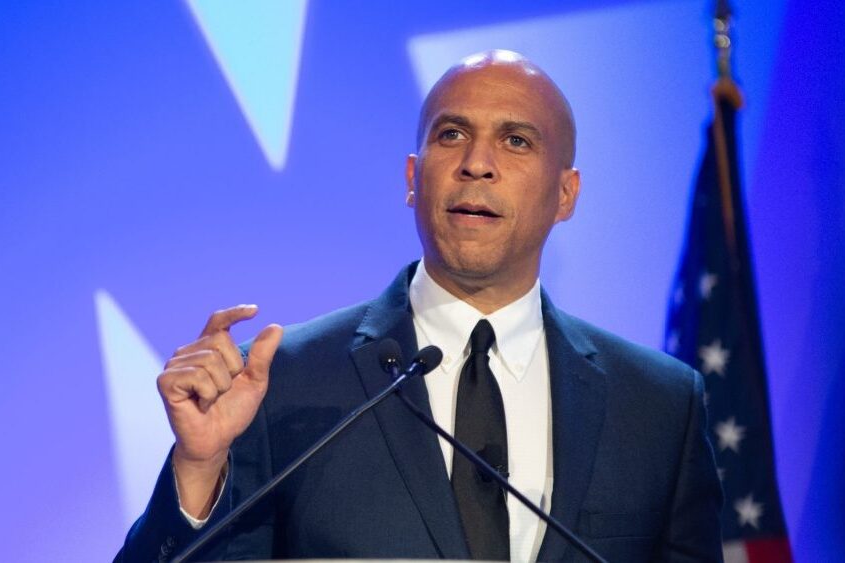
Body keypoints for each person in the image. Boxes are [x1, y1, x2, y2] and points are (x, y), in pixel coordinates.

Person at [116, 50, 723, 562]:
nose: (476, 164)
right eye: (451, 135)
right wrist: (199, 470)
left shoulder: (659, 406)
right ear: (413, 177)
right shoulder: (276, 383)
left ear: (566, 194)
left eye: (516, 140)